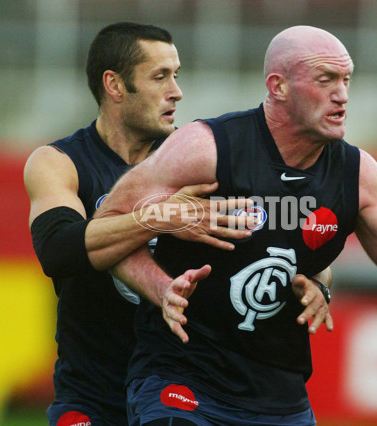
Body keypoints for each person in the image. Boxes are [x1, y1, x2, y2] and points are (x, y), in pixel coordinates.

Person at [94, 25, 377, 425]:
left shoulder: (358, 175)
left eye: (346, 80)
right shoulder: (207, 148)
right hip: (182, 376)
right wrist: (157, 286)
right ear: (279, 87)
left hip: (280, 397)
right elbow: (108, 224)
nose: (342, 95)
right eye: (326, 80)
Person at [24, 22, 333, 426]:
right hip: (94, 397)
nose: (177, 91)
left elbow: (289, 230)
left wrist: (318, 283)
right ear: (114, 85)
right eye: (160, 77)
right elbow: (59, 250)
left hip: (186, 390)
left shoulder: (196, 159)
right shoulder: (59, 162)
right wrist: (160, 218)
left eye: (177, 75)